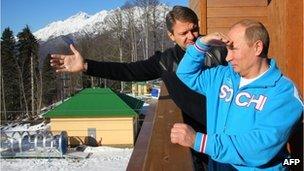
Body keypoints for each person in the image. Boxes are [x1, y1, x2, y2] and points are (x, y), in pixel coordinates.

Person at [50, 6, 228, 170]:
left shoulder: (219, 51)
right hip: (195, 141)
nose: (192, 36)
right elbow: (127, 70)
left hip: (228, 134)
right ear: (171, 35)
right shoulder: (165, 62)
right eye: (184, 33)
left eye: (194, 29)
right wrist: (87, 66)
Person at [172, 19, 303, 170]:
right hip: (218, 165)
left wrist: (198, 141)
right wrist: (202, 43)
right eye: (227, 50)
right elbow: (186, 73)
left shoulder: (283, 93)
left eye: (233, 49)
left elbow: (258, 149)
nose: (227, 58)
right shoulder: (223, 76)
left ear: (257, 47)